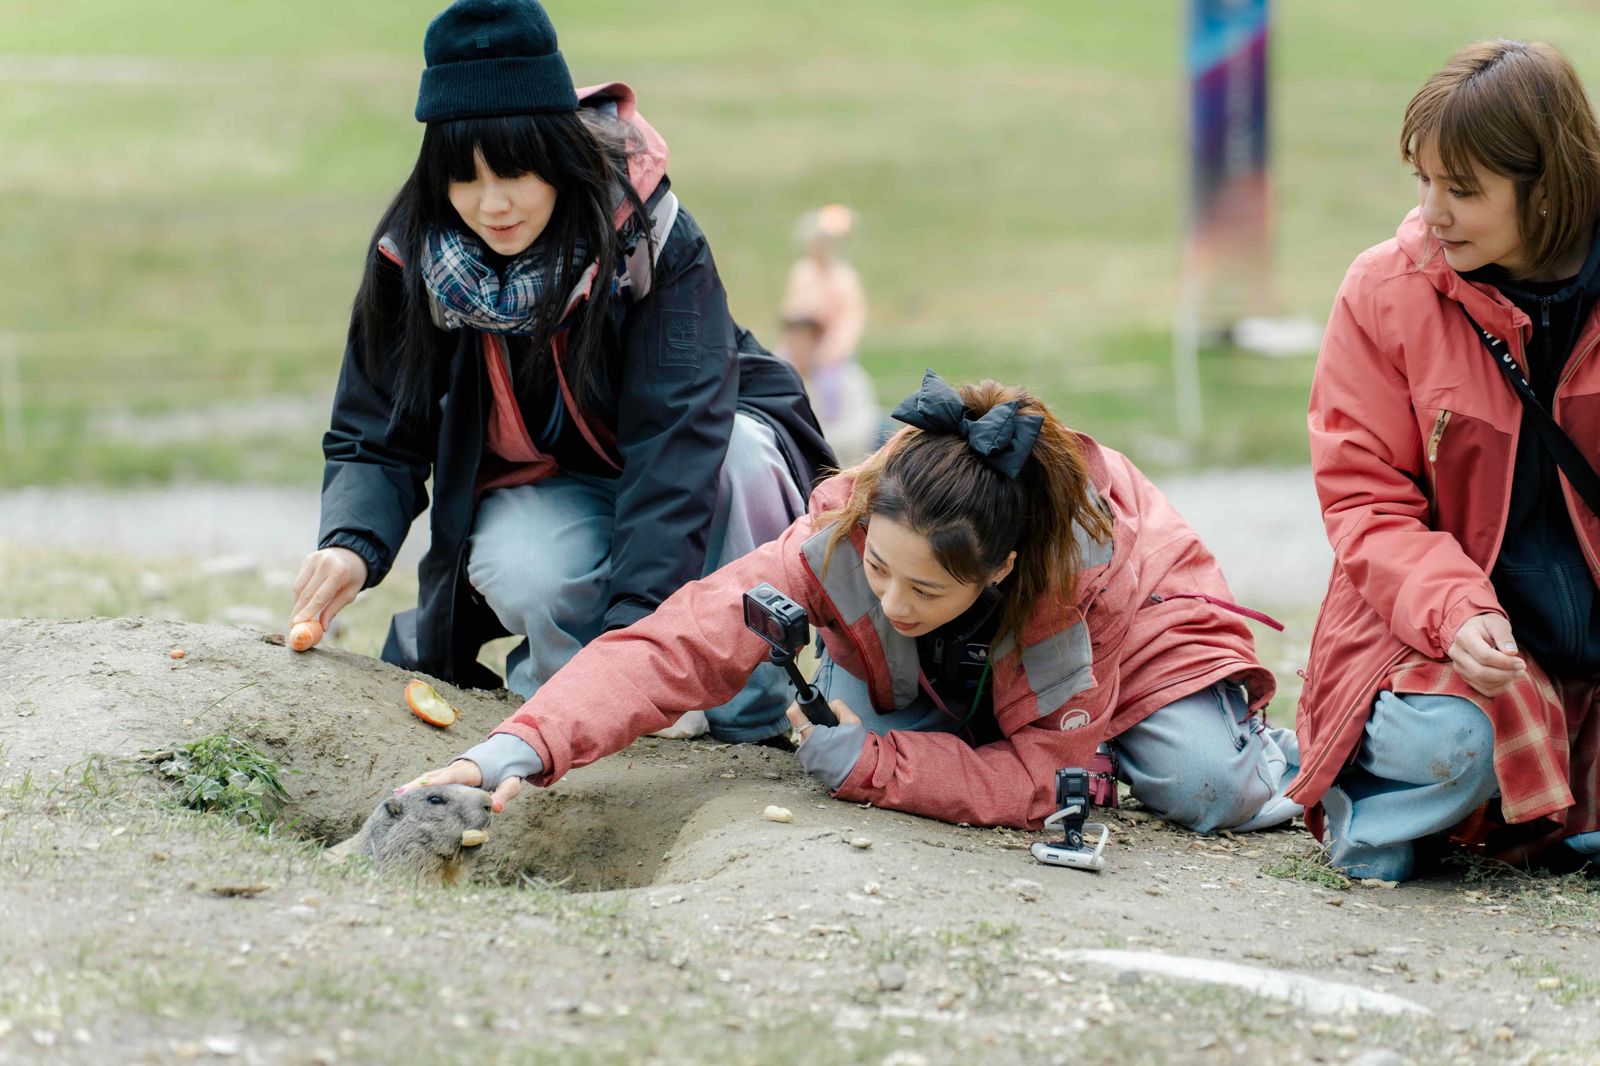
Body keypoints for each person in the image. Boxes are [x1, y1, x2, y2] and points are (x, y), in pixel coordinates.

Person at [400, 372, 1300, 836]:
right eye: (879, 571)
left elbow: (1037, 780)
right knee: (880, 716)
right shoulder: (836, 539)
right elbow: (676, 644)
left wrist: (878, 767)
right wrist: (516, 748)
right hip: (970, 659)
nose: (892, 601)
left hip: (1134, 633)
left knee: (1202, 784)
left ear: (998, 570)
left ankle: (1276, 759)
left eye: (925, 588)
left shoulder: (1070, 581)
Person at [288, 0, 832, 745]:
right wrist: (352, 540)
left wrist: (632, 631)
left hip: (701, 460)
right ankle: (572, 703)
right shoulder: (408, 261)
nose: (493, 203)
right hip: (554, 479)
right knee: (523, 560)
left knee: (738, 456)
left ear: (559, 150)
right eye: (464, 178)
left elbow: (678, 443)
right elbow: (374, 431)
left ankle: (750, 720)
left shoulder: (651, 238)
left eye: (515, 169)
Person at [1292, 40, 1600, 881]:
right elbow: (1365, 503)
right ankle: (1373, 799)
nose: (1432, 211)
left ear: (1550, 187)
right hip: (1442, 635)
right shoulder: (1383, 292)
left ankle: (1545, 816)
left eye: (1462, 190)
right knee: (1449, 743)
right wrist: (1457, 612)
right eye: (1422, 180)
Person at [778, 205, 881, 462]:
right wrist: (793, 340)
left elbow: (849, 321)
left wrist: (828, 352)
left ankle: (824, 429)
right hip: (801, 338)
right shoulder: (802, 273)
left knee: (831, 385)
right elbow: (793, 307)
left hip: (830, 347)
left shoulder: (843, 278)